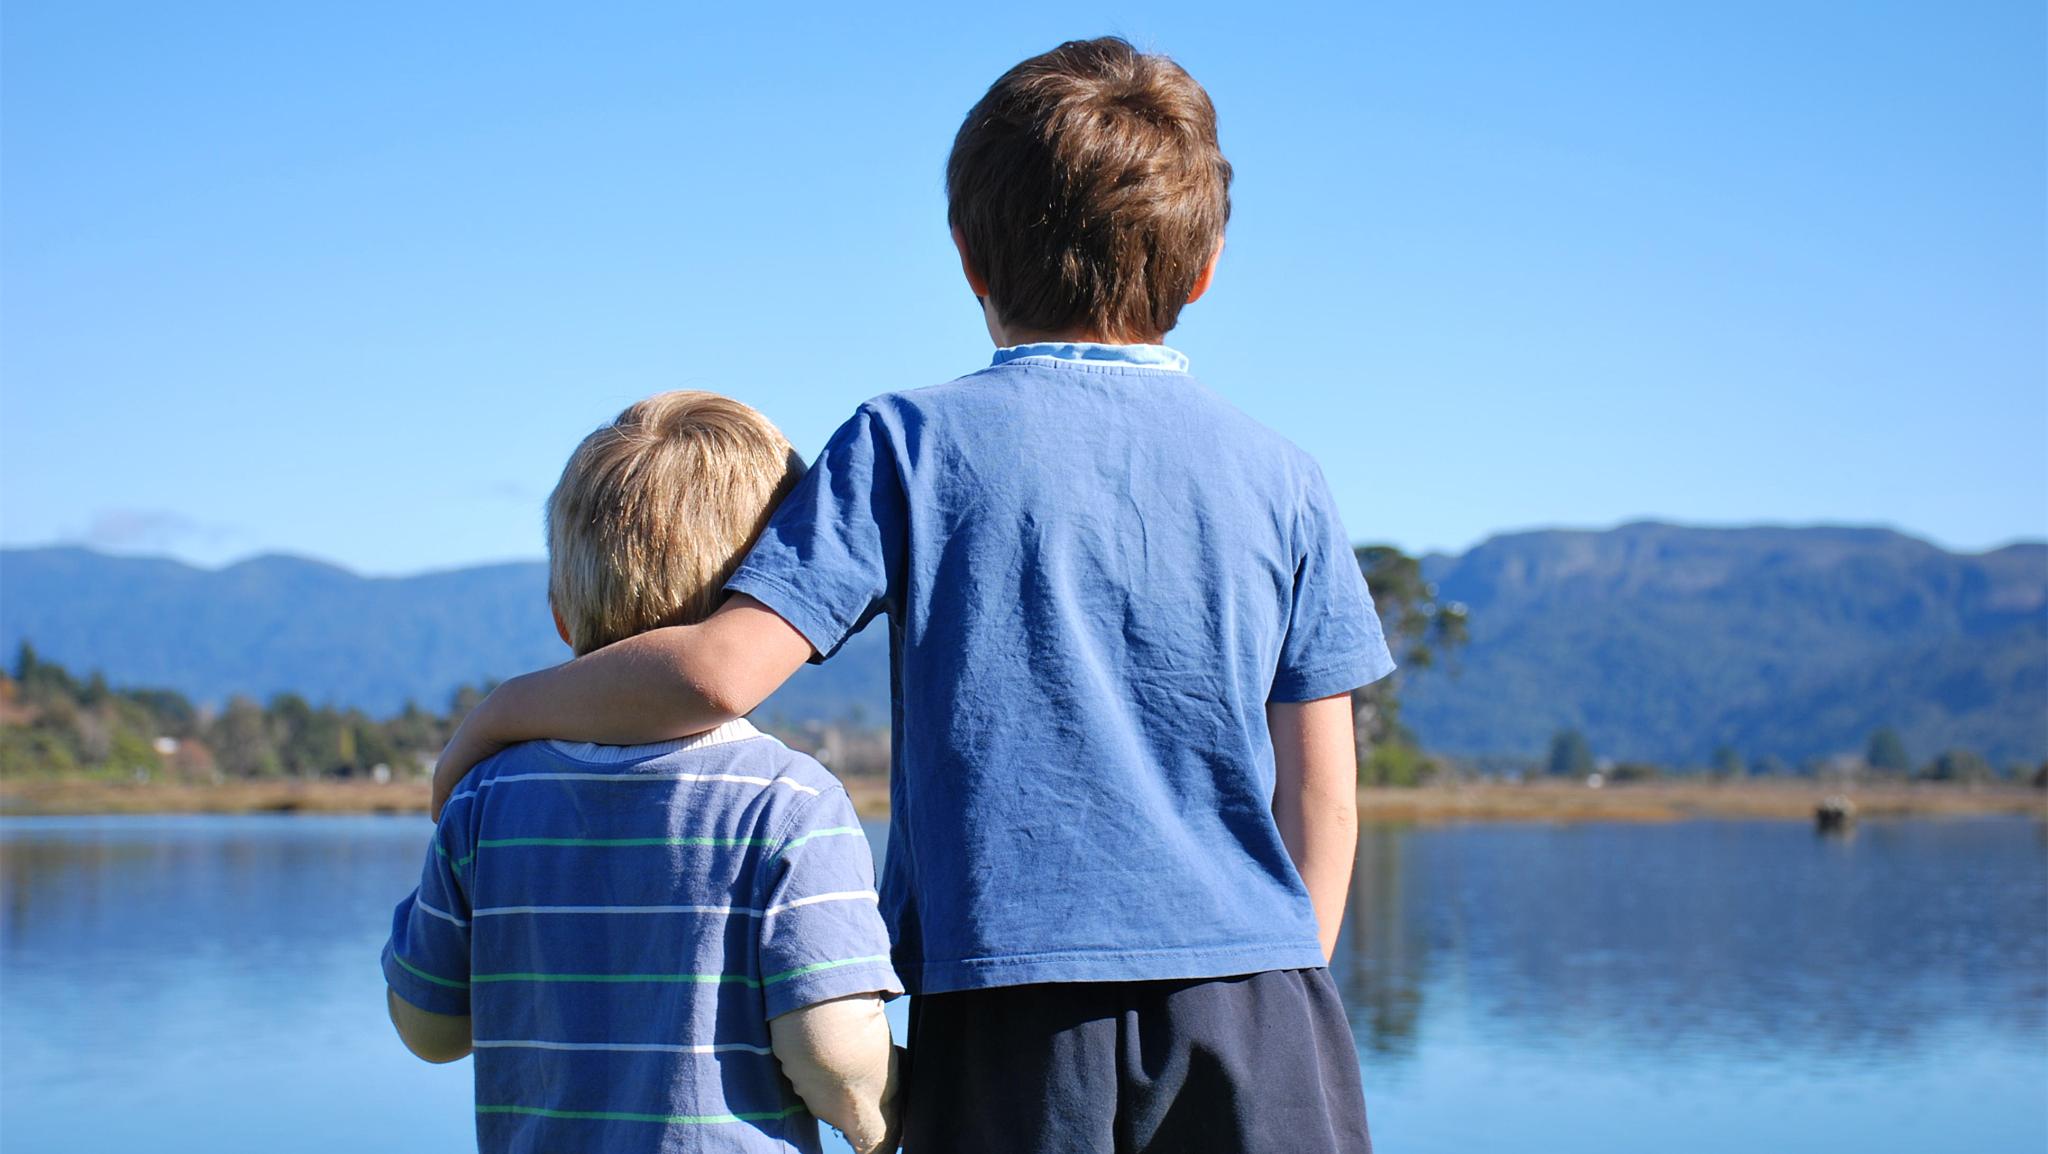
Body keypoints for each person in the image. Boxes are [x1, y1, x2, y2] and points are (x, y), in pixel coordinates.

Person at [433, 37, 1392, 1153]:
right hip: (1262, 1002)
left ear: (968, 257)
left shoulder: (910, 442)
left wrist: (499, 715)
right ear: (1205, 264)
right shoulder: (1281, 475)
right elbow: (1321, 799)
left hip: (1010, 1006)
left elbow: (717, 671)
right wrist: (1282, 981)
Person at [383, 391, 903, 1154]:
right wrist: (885, 1117)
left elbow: (428, 1028)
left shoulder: (487, 799)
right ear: (766, 608)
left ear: (562, 611)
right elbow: (830, 1050)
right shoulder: (787, 803)